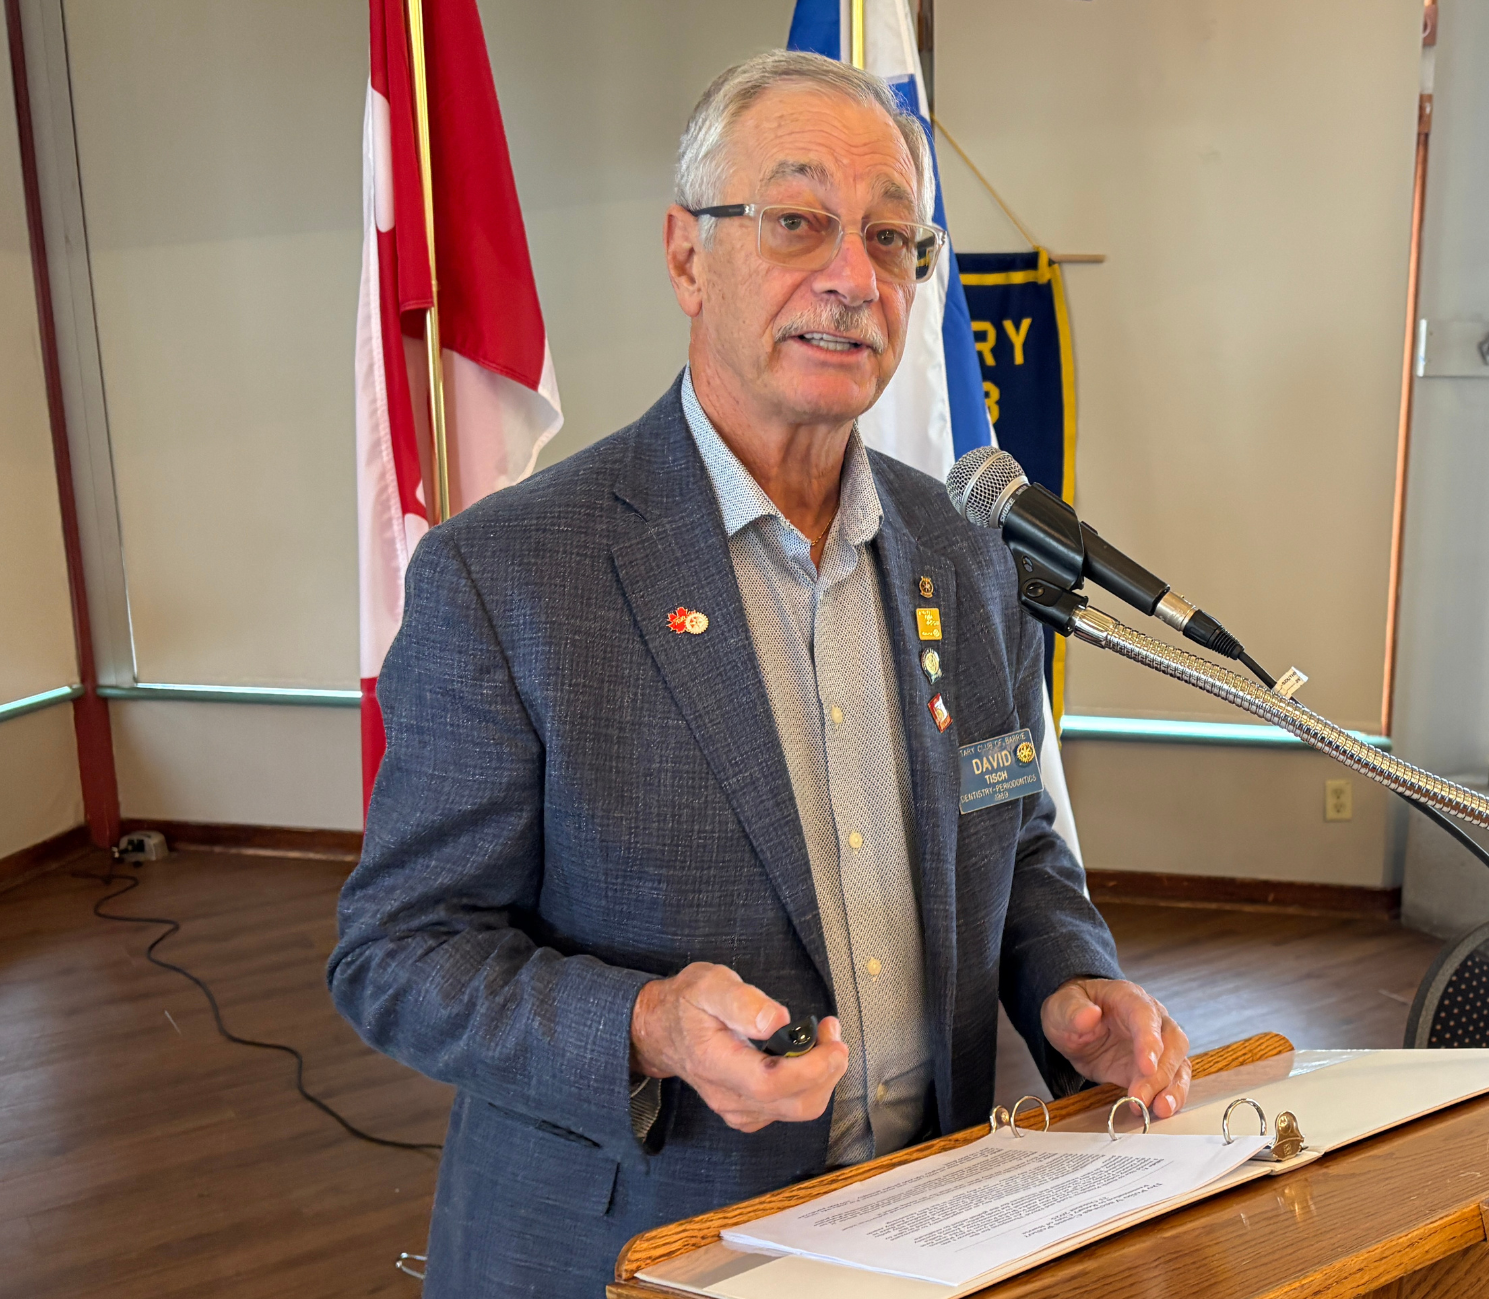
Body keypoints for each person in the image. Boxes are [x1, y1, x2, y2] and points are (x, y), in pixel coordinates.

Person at [328, 51, 1189, 1298]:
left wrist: (1070, 983)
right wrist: (645, 1026)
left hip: (929, 1228)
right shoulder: (509, 573)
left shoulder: (963, 552)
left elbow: (1013, 837)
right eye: (796, 222)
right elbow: (399, 954)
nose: (852, 278)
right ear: (687, 257)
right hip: (637, 1252)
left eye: (890, 239)